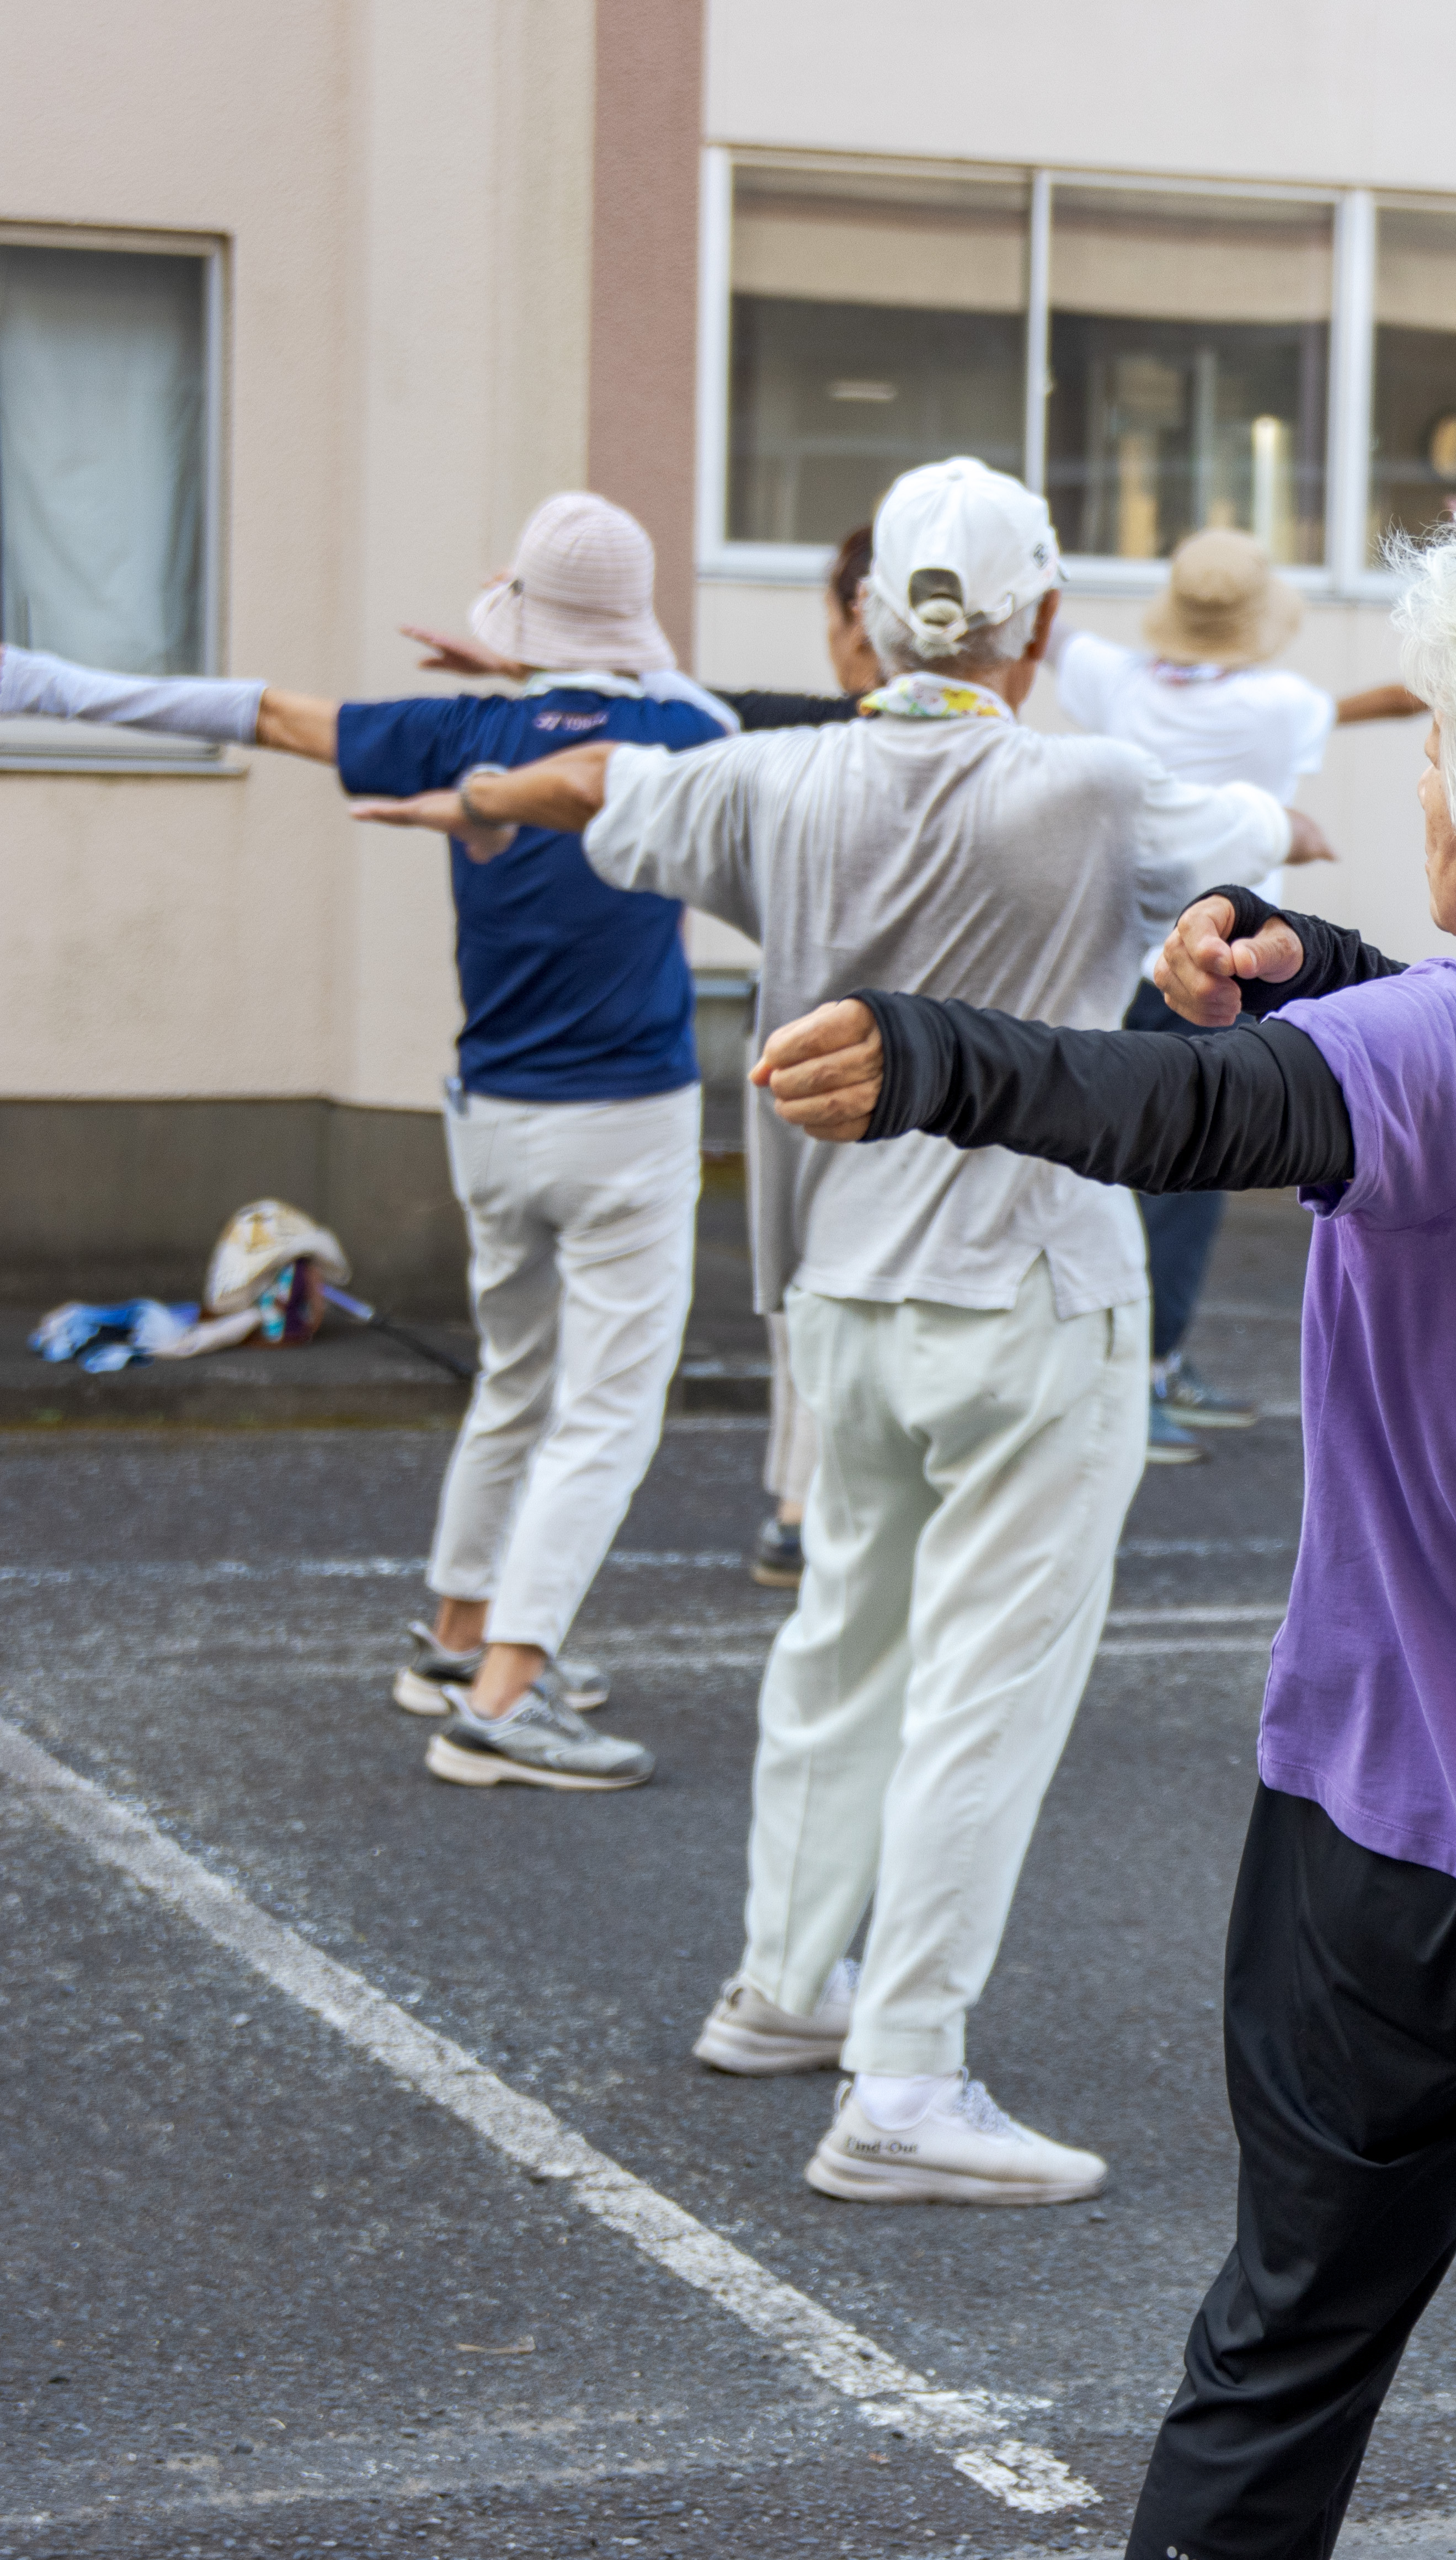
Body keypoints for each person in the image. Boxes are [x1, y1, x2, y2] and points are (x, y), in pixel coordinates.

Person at [746, 483, 1456, 2559]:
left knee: (1288, 2349)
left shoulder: (1444, 1058)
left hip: (1390, 1833)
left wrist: (926, 1053)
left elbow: (1179, 1105)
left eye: (1440, 744)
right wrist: (1315, 959)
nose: (1417, 773)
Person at [352, 457, 1313, 2200]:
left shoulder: (777, 776)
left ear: (871, 621)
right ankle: (908, 2079)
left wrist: (478, 784)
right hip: (1035, 1284)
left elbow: (601, 777)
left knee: (846, 1644)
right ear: (1036, 623)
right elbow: (1266, 847)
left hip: (845, 1285)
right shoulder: (1091, 781)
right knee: (986, 1686)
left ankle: (789, 1985)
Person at [4, 490, 739, 1795]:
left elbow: (261, 712)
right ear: (630, 622)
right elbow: (680, 695)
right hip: (626, 1123)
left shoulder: (463, 730)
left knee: (518, 1384)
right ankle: (506, 1701)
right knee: (607, 1413)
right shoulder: (690, 732)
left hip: (491, 1125)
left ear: (525, 620)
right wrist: (578, 651)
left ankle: (455, 1640)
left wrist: (42, 679)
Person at [404, 525, 881, 1578]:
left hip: (785, 1048)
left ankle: (476, 1643)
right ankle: (506, 1670)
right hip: (844, 1059)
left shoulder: (821, 734)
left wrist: (549, 666)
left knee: (544, 1383)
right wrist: (574, 664)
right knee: (639, 1386)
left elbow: (690, 726)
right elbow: (695, 724)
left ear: (862, 615)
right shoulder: (843, 740)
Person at [1048, 526, 1412, 1462]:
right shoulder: (1280, 705)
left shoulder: (1115, 684)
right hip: (1226, 969)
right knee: (1187, 1183)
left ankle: (1154, 1363)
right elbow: (1385, 699)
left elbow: (1050, 633)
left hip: (1127, 964)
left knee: (1140, 1170)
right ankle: (1147, 1375)